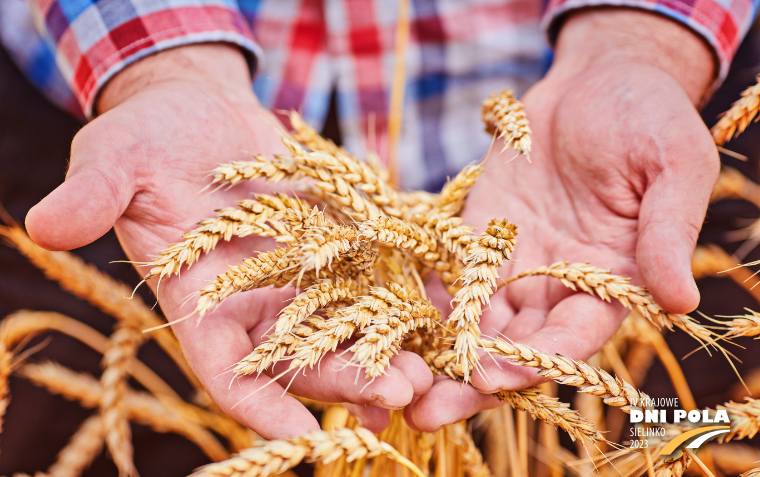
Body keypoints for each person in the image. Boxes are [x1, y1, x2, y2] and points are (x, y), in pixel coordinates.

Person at [2, 0, 751, 440]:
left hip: (584, 155)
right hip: (122, 113)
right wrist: (162, 66)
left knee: (671, 424)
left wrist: (639, 37)